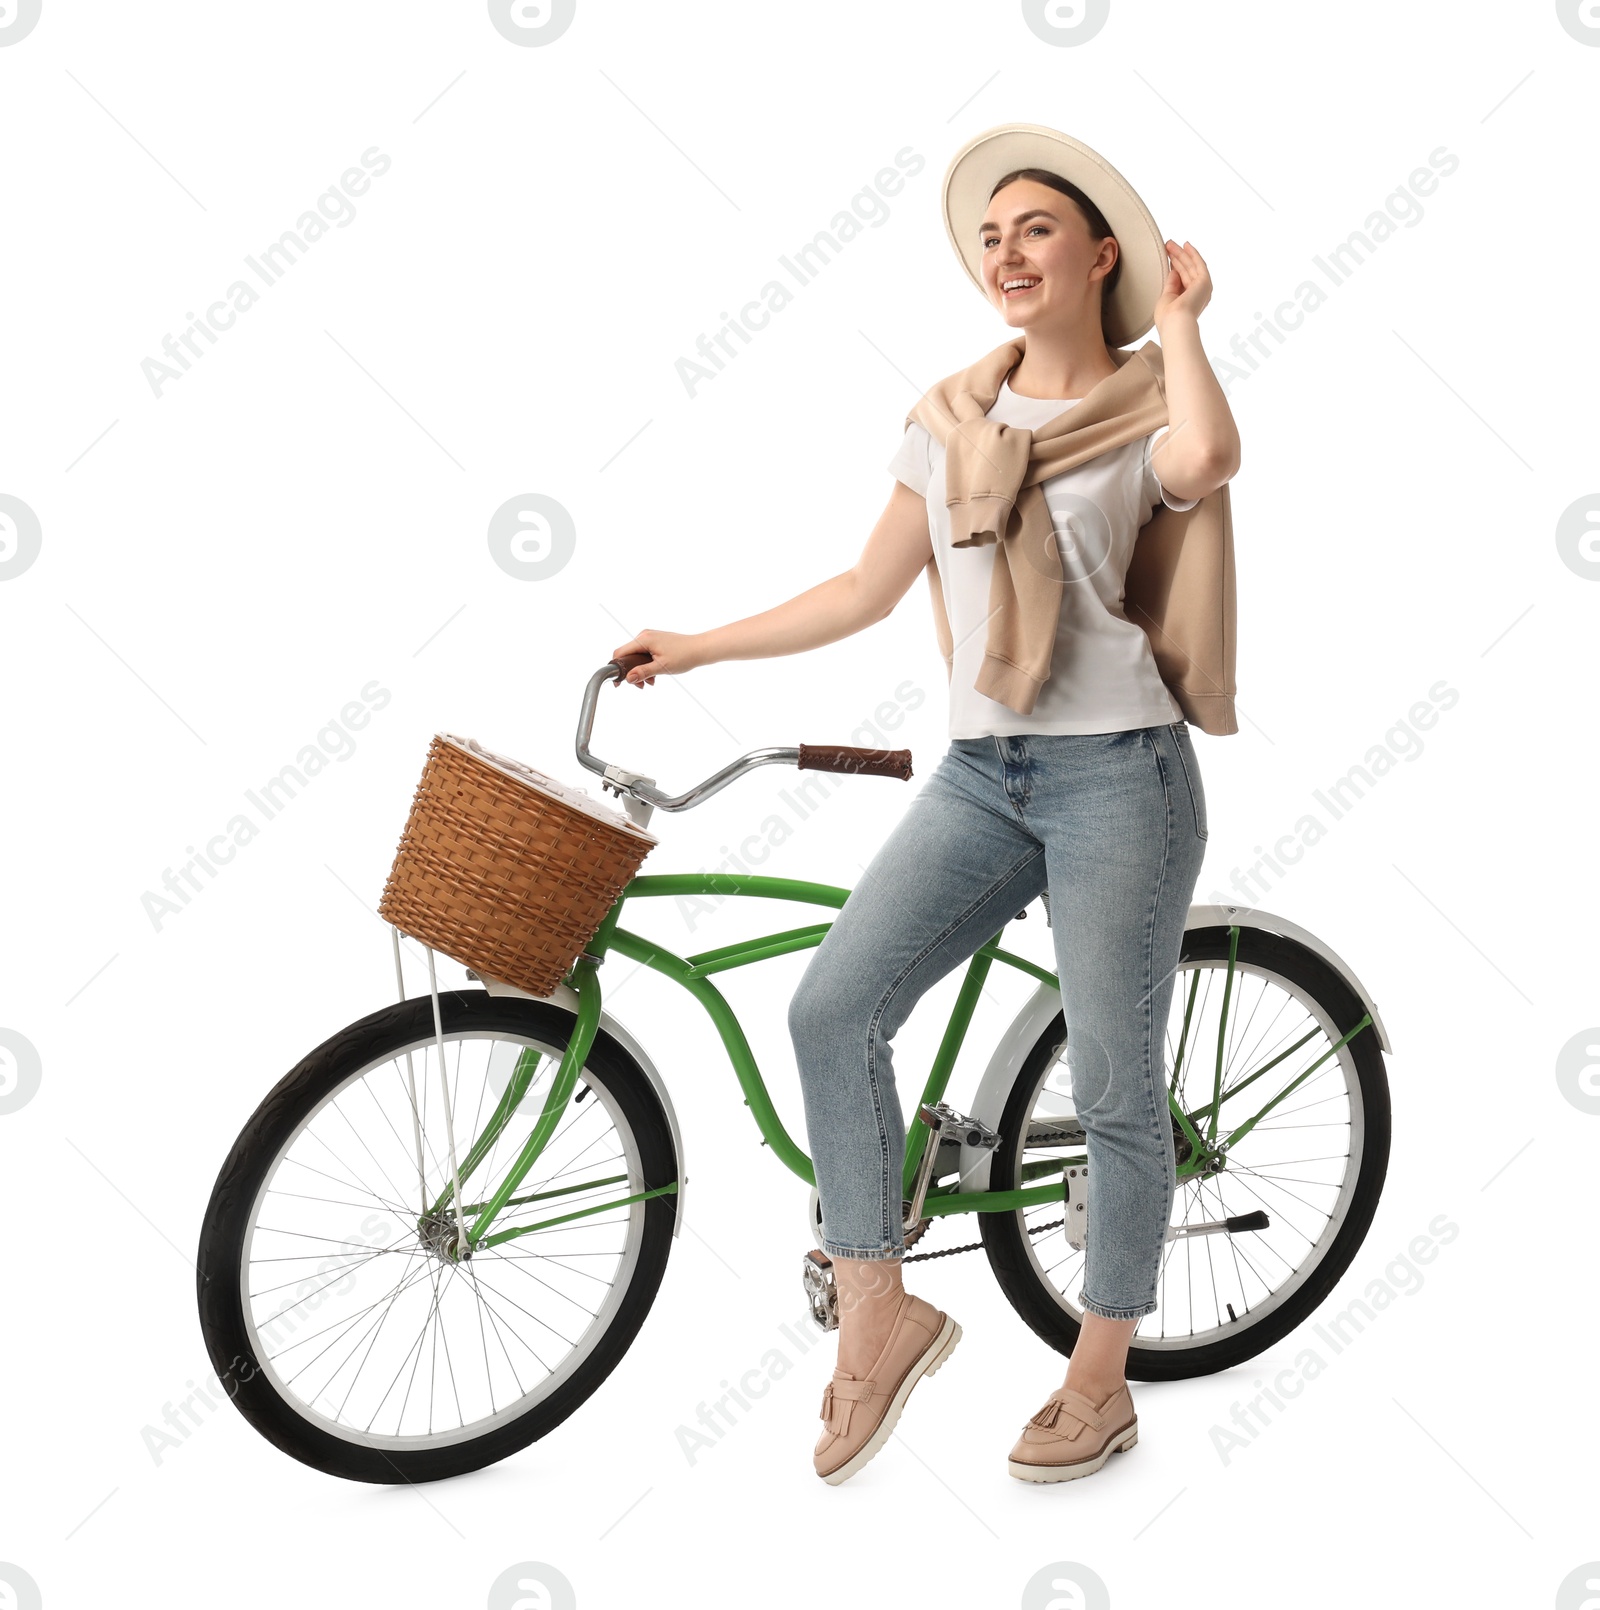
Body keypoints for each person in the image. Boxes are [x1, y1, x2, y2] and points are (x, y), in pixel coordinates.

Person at [610, 123, 1240, 1486]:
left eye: (1036, 231)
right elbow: (860, 591)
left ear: (1098, 257)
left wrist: (1183, 324)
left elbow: (1209, 455)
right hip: (981, 775)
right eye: (991, 236)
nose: (1008, 254)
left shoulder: (1141, 410)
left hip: (1118, 779)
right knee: (833, 1006)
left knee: (1122, 1087)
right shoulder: (948, 419)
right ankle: (880, 1311)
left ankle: (1098, 1380)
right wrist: (701, 643)